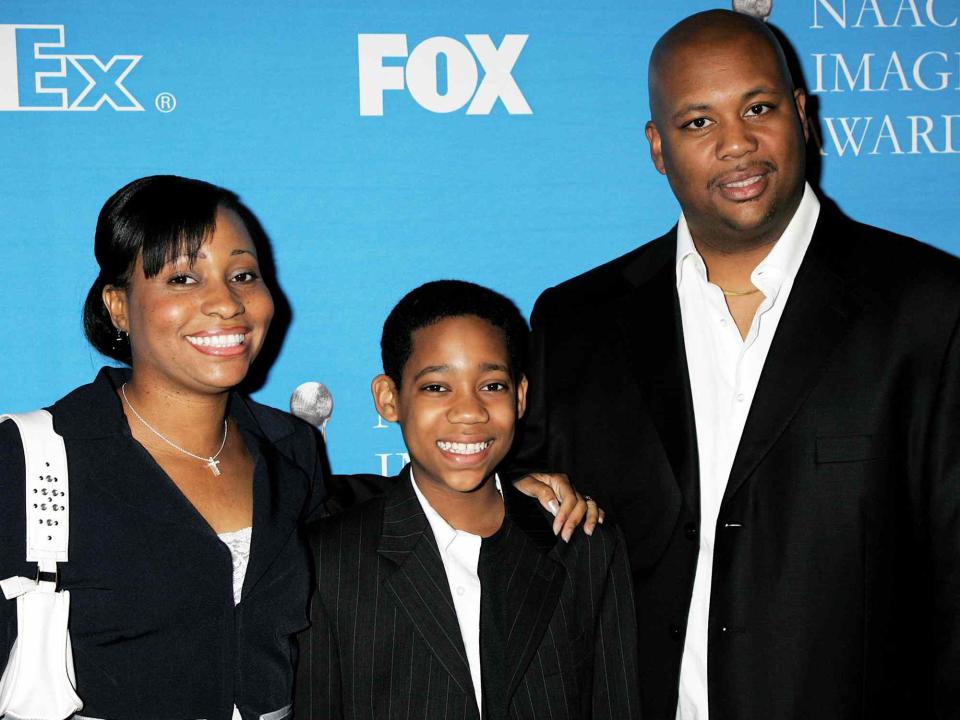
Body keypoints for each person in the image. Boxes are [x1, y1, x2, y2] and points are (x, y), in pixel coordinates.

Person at [0, 176, 594, 720]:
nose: (227, 302)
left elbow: (372, 519)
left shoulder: (290, 449)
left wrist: (497, 489)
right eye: (183, 278)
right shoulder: (30, 460)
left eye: (243, 274)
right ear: (117, 305)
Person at [509, 9, 960, 720]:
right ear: (657, 148)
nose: (737, 145)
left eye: (758, 108)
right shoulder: (577, 322)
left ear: (803, 115)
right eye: (698, 123)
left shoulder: (929, 308)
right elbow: (521, 525)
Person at [295, 280, 641, 720]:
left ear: (520, 397)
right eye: (437, 388)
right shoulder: (330, 564)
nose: (470, 411)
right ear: (388, 398)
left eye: (492, 386)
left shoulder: (583, 544)